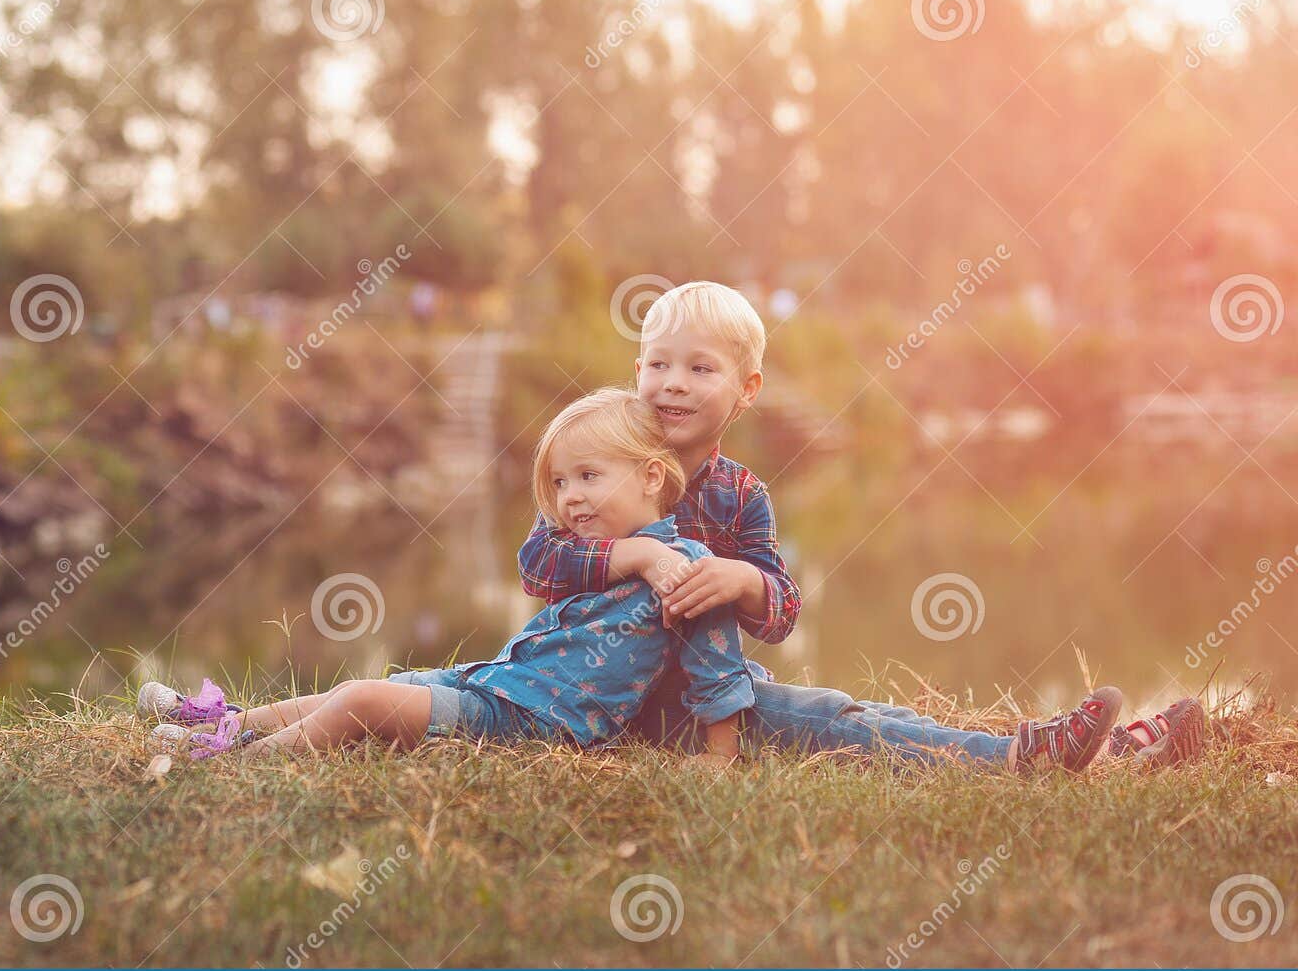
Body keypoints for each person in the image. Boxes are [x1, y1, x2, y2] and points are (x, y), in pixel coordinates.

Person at [518, 279, 1162, 772]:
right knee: (829, 719)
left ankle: (1075, 752)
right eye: (658, 365)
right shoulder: (597, 468)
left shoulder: (740, 495)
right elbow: (536, 562)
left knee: (845, 714)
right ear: (637, 374)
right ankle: (1021, 757)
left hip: (709, 700)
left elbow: (783, 613)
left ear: (747, 390)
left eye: (701, 368)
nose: (674, 385)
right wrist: (631, 557)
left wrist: (743, 579)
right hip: (602, 695)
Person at [140, 389, 754, 762]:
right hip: (502, 682)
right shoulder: (583, 549)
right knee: (363, 687)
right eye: (560, 483)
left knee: (362, 701)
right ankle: (221, 720)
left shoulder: (690, 571)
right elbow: (535, 564)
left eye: (589, 477)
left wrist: (722, 756)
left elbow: (717, 665)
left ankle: (233, 759)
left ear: (650, 477)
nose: (570, 499)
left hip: (538, 724)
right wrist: (637, 555)